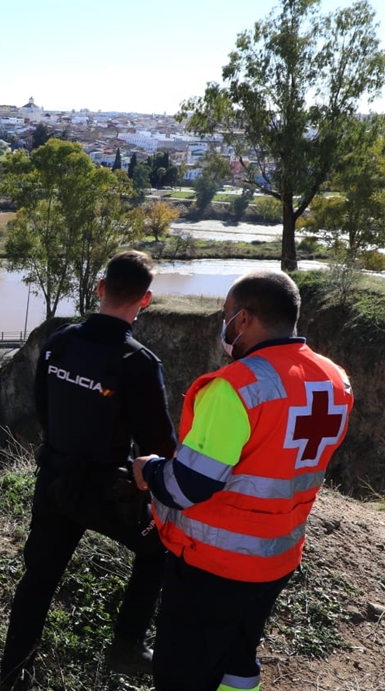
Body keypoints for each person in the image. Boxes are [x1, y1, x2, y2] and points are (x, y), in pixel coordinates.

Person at [134, 270, 353, 691]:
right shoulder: (335, 379)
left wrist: (150, 468)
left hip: (214, 563)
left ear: (245, 319)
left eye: (226, 314)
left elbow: (186, 488)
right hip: (278, 555)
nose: (225, 324)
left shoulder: (238, 387)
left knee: (183, 671)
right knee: (238, 657)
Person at [0, 250, 178, 690]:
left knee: (38, 577)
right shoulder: (138, 363)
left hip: (55, 478)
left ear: (100, 288)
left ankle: (13, 677)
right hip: (106, 491)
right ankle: (127, 646)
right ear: (146, 299)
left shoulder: (59, 342)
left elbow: (44, 408)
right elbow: (160, 444)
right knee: (160, 550)